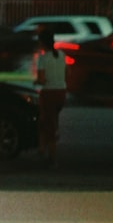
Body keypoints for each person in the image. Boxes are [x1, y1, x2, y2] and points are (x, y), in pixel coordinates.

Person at [34, 27, 68, 166]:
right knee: (49, 121)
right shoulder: (61, 55)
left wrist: (35, 81)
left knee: (48, 124)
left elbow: (41, 80)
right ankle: (42, 149)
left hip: (49, 93)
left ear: (42, 43)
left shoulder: (42, 59)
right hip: (61, 91)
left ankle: (52, 158)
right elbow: (65, 73)